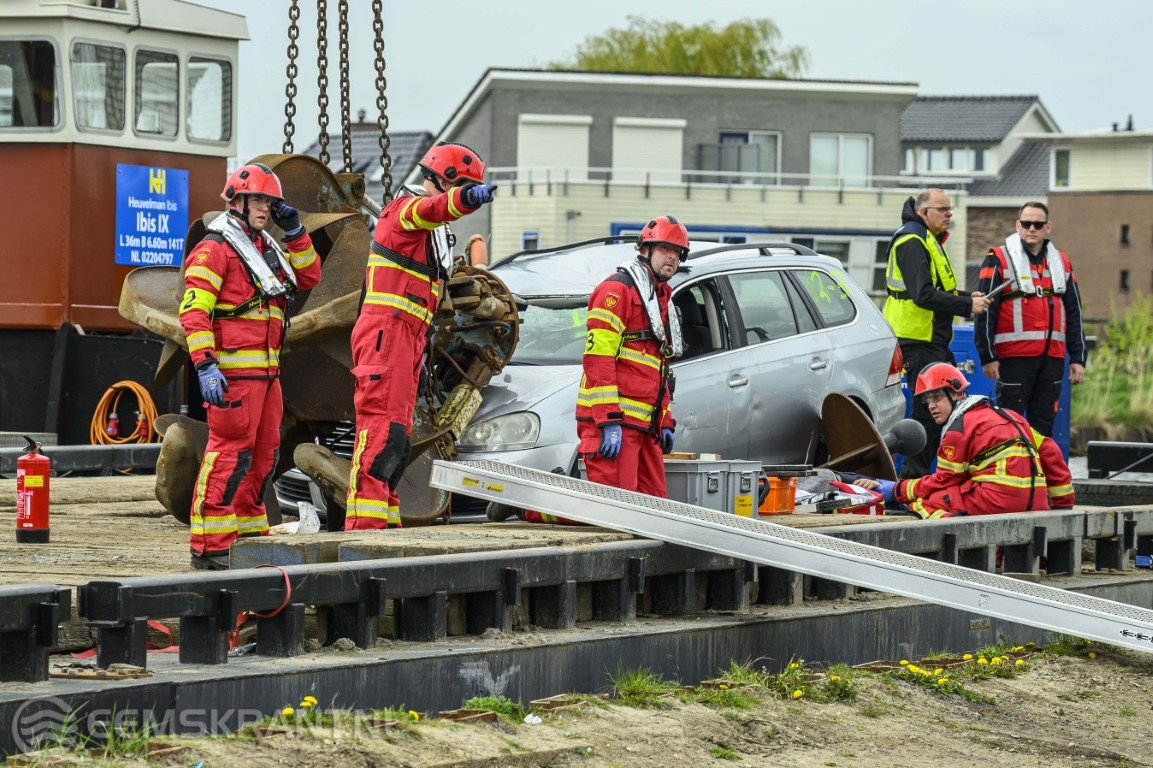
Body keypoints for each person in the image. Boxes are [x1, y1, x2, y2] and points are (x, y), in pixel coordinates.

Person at [344, 141, 496, 530]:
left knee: (397, 439)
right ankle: (365, 527)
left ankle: (385, 521)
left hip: (408, 338)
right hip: (387, 332)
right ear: (445, 180)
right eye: (460, 186)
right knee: (382, 430)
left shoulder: (430, 234)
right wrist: (466, 198)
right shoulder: (406, 210)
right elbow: (433, 208)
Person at [180, 162, 322, 569]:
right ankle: (211, 546)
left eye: (271, 202)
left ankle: (247, 535)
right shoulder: (215, 248)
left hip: (267, 375)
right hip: (233, 377)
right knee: (229, 456)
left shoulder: (265, 248)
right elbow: (194, 313)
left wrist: (295, 232)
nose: (266, 208)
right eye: (259, 200)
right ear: (237, 201)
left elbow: (310, 276)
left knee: (263, 458)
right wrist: (205, 365)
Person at [868, 363, 1074, 519]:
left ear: (957, 392)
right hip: (1036, 504)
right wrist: (1062, 507)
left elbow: (944, 481)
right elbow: (1048, 449)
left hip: (998, 503)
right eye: (927, 400)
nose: (931, 406)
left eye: (937, 397)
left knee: (927, 502)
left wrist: (896, 490)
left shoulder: (958, 429)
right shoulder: (1010, 416)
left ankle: (955, 557)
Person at [882, 188, 992, 479]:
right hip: (917, 339)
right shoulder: (913, 240)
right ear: (924, 212)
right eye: (943, 209)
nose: (949, 214)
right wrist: (968, 304)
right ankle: (911, 484)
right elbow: (923, 295)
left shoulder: (928, 238)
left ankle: (919, 480)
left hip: (930, 340)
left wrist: (969, 296)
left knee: (942, 408)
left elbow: (941, 290)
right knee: (927, 413)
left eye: (950, 209)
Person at [574, 216, 685, 497]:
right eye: (664, 249)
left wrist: (665, 420)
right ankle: (531, 510)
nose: (671, 256)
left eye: (677, 252)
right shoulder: (617, 291)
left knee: (655, 506)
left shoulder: (659, 299)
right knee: (616, 508)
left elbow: (658, 369)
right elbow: (598, 359)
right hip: (614, 423)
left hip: (645, 427)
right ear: (644, 250)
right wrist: (608, 419)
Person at [974, 202, 1087, 437]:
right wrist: (987, 356)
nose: (1031, 229)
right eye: (1026, 224)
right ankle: (1007, 473)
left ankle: (1038, 474)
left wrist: (1079, 358)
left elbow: (1073, 311)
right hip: (1013, 359)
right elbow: (985, 310)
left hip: (1052, 359)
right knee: (1007, 426)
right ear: (1018, 226)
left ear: (1048, 227)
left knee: (1043, 427)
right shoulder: (998, 258)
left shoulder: (1062, 262)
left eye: (1038, 224)